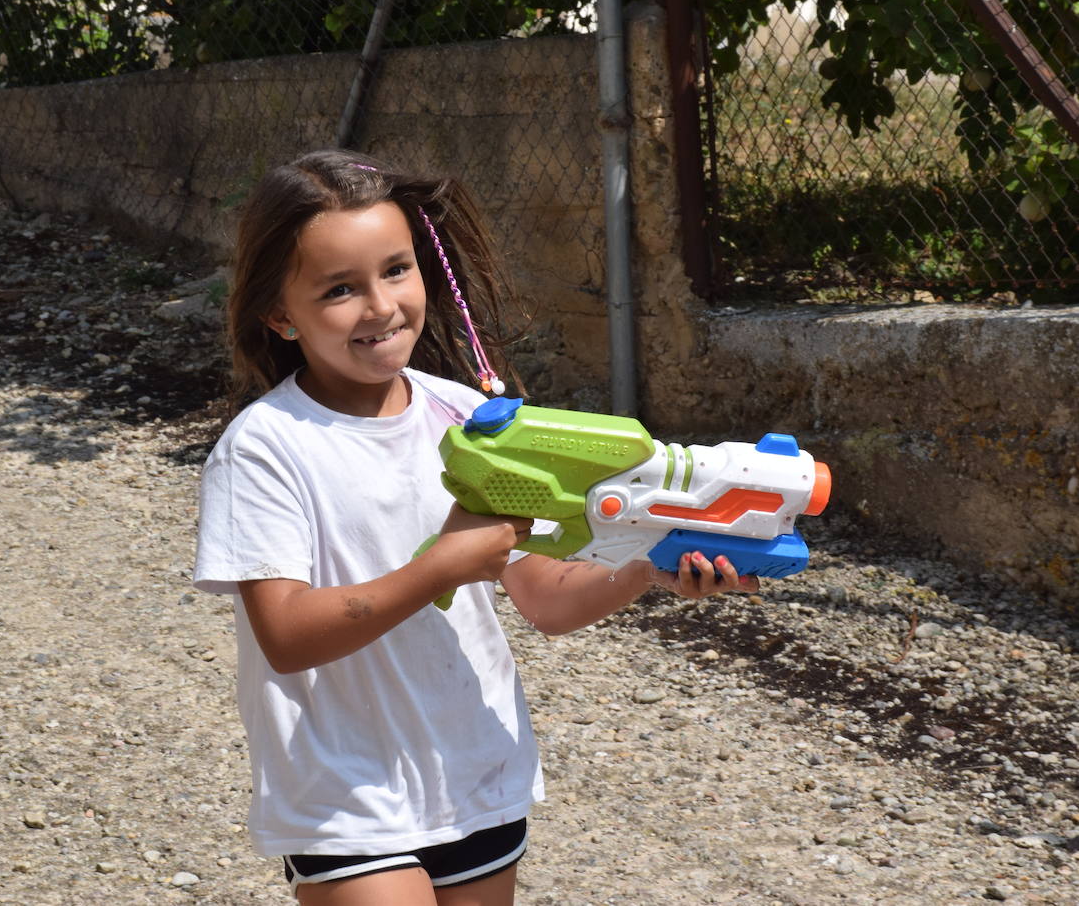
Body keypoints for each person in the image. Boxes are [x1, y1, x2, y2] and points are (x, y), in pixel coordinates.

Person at [193, 149, 757, 905]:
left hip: (475, 774)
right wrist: (444, 565)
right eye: (339, 289)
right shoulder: (263, 449)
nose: (381, 305)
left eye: (396, 269)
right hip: (343, 794)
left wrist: (650, 564)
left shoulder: (462, 416)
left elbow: (547, 600)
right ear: (278, 313)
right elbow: (288, 636)